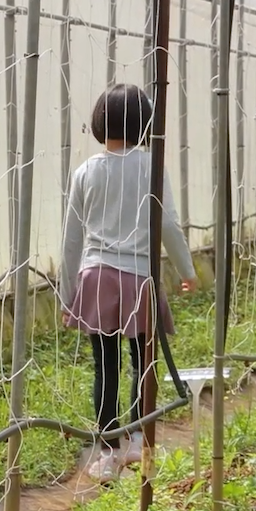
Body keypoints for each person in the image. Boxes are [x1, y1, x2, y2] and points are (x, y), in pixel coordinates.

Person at [60, 83, 196, 484]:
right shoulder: (151, 167)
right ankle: (138, 438)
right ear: (145, 124)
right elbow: (168, 224)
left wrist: (67, 293)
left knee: (106, 367)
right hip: (140, 278)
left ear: (100, 122)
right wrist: (187, 271)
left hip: (98, 276)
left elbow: (71, 238)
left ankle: (105, 453)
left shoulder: (86, 172)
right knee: (143, 361)